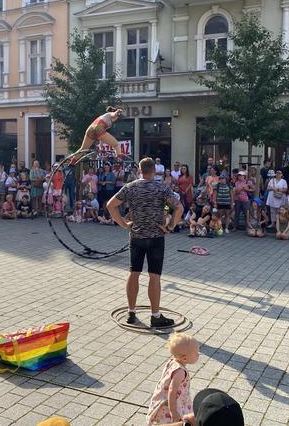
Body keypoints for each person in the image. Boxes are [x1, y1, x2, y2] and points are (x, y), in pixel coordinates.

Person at [107, 157, 183, 328]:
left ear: (140, 170)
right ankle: (155, 316)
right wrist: (170, 227)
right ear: (154, 171)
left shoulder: (130, 187)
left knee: (134, 272)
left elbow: (111, 205)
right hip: (156, 237)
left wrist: (124, 224)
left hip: (136, 237)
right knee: (154, 276)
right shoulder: (161, 187)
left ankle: (131, 312)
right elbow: (179, 208)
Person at [147, 333, 199, 425]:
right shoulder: (180, 372)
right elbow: (172, 390)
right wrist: (173, 411)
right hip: (172, 403)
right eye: (196, 353)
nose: (198, 354)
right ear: (185, 358)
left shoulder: (172, 361)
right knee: (176, 421)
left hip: (165, 398)